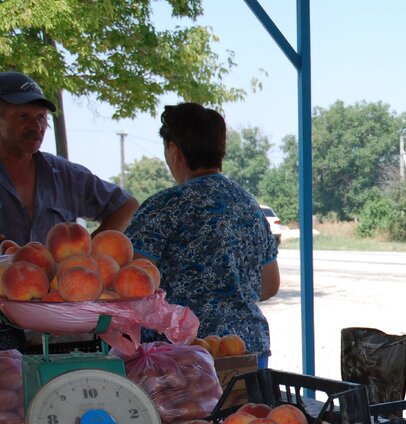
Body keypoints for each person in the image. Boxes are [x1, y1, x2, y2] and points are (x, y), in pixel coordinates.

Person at [125, 103, 279, 367]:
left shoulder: (165, 205)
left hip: (182, 358)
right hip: (247, 350)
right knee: (248, 410)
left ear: (174, 150)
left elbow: (129, 283)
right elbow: (270, 285)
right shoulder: (249, 205)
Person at [0, 72, 137, 244]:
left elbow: (126, 206)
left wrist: (90, 254)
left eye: (41, 117)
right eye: (23, 116)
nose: (36, 127)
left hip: (59, 272)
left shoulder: (63, 174)